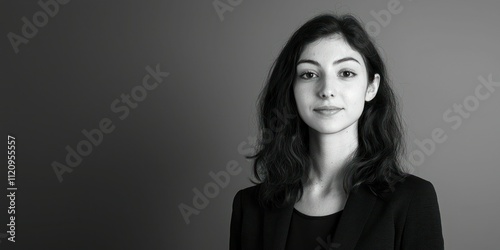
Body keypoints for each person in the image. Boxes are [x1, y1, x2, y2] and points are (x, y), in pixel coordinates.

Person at [229, 13, 444, 250]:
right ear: (291, 88)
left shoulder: (412, 199)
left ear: (371, 87)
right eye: (309, 74)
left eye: (346, 73)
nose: (327, 90)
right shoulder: (249, 206)